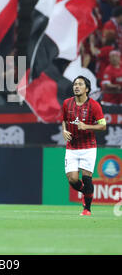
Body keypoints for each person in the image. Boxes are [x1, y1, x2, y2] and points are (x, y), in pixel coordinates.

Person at [61, 76, 106, 216]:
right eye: (75, 84)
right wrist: (64, 130)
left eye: (80, 84)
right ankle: (87, 191)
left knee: (87, 178)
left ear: (87, 89)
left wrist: (86, 126)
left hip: (88, 147)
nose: (76, 86)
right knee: (73, 180)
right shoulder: (66, 103)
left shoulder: (94, 105)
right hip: (72, 147)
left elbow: (103, 125)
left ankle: (87, 209)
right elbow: (64, 120)